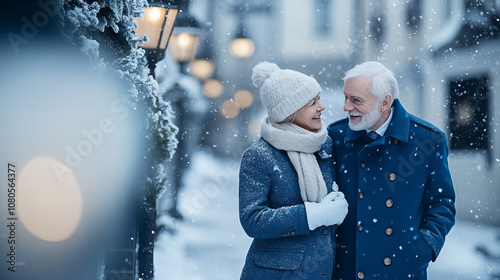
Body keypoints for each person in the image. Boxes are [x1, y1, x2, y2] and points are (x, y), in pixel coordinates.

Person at [327, 61, 456, 280]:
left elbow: (442, 204)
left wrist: (424, 248)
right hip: (347, 267)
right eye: (345, 97)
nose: (346, 107)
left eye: (356, 100)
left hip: (401, 269)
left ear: (385, 101)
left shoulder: (427, 140)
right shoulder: (337, 136)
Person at [239, 61, 348, 279]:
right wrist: (316, 214)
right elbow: (253, 220)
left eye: (319, 99)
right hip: (277, 274)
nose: (322, 107)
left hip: (324, 270)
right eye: (312, 102)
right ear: (290, 111)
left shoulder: (325, 145)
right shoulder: (259, 155)